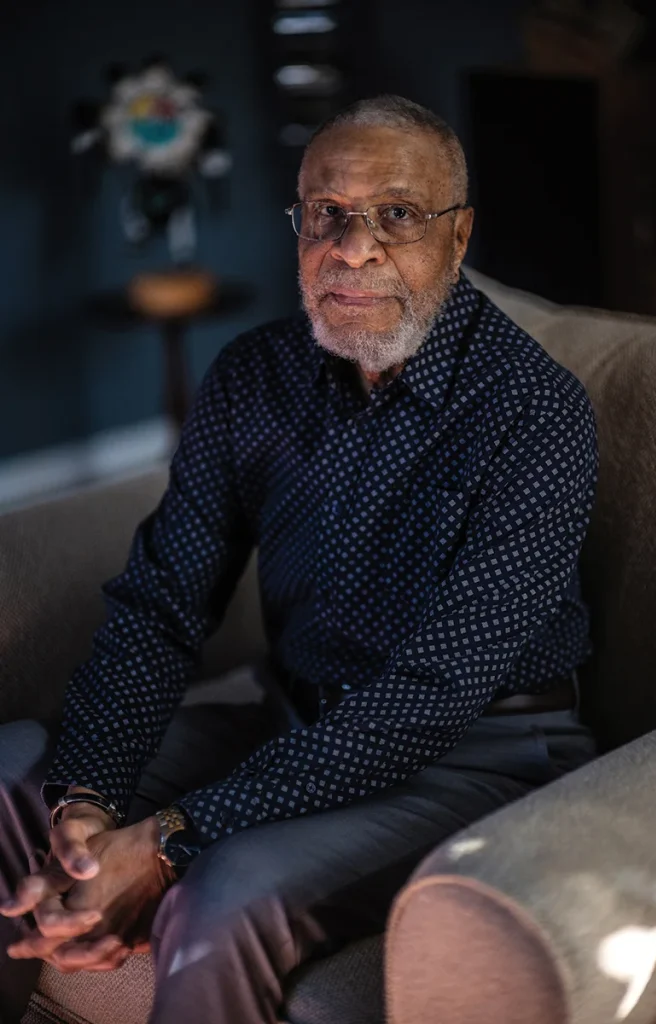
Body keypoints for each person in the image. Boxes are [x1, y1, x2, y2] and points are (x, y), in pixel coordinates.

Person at [0, 95, 598, 1023]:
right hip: (291, 714)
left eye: (396, 215)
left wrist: (167, 839)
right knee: (18, 783)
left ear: (459, 235)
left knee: (222, 889)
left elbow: (428, 698)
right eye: (326, 213)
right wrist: (89, 804)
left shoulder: (537, 416)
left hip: (476, 756)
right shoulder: (253, 375)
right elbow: (163, 606)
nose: (352, 248)